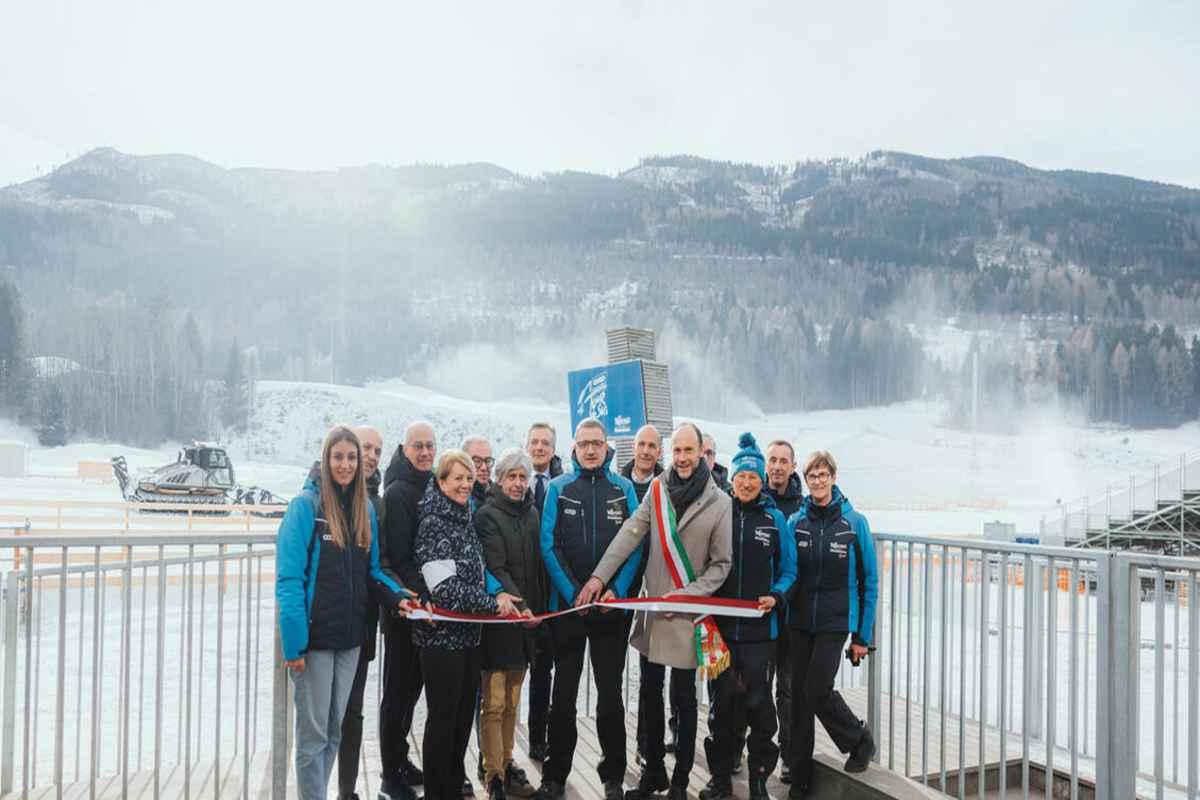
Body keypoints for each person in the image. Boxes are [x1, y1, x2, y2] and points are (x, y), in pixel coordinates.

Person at [581, 422, 732, 800]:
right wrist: (600, 576)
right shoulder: (657, 489)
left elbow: (721, 564)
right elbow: (630, 533)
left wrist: (687, 594)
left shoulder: (720, 502)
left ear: (700, 454)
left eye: (688, 451)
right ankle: (653, 773)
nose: (681, 458)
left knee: (683, 700)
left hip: (685, 614)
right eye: (676, 451)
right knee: (650, 694)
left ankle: (680, 781)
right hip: (653, 611)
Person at [276, 426, 412, 800]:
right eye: (339, 456)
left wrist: (398, 596)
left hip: (351, 640)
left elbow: (373, 572)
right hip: (315, 641)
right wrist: (294, 645)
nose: (347, 464)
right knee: (312, 736)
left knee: (334, 729)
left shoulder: (365, 508)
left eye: (352, 457)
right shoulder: (306, 507)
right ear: (325, 458)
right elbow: (288, 579)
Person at [534, 419, 641, 800]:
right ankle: (555, 774)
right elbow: (548, 544)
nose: (591, 450)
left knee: (611, 697)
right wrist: (572, 592)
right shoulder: (560, 489)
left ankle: (613, 774)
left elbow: (635, 544)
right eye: (584, 444)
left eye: (597, 443)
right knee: (562, 697)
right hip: (569, 611)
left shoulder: (623, 488)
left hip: (610, 611)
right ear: (574, 447)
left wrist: (618, 589)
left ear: (607, 446)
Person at [413, 450, 524, 800]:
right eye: (456, 478)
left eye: (468, 478)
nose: (464, 484)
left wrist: (500, 595)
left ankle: (450, 786)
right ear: (441, 481)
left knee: (462, 721)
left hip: (469, 637)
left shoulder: (465, 516)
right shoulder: (433, 522)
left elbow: (477, 573)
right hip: (441, 641)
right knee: (443, 721)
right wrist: (492, 604)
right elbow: (443, 589)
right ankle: (436, 791)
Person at [701, 433, 796, 800]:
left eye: (753, 477)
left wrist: (776, 595)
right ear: (733, 477)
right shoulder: (718, 513)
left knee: (759, 707)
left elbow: (789, 571)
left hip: (760, 631)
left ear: (761, 481)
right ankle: (720, 779)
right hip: (715, 630)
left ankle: (758, 779)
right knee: (720, 707)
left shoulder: (774, 521)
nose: (746, 482)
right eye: (741, 476)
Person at [787, 451, 878, 798]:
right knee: (799, 700)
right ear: (806, 481)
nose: (818, 481)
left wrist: (862, 635)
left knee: (816, 689)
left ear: (834, 477)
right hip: (800, 619)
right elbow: (788, 571)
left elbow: (869, 581)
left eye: (824, 475)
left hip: (836, 620)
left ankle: (858, 739)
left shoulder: (854, 523)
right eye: (812, 476)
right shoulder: (797, 522)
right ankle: (799, 778)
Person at [476, 449, 546, 800]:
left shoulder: (532, 514)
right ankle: (493, 775)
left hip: (525, 623)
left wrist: (536, 610)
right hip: (501, 623)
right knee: (495, 702)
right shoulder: (487, 516)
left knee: (514, 702)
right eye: (512, 477)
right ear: (500, 480)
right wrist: (522, 607)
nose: (518, 483)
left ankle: (506, 761)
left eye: (523, 477)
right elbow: (496, 567)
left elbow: (536, 567)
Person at [379, 421, 438, 800]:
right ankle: (389, 773)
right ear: (404, 448)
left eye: (430, 446)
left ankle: (401, 759)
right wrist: (420, 592)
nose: (424, 452)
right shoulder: (399, 492)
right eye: (417, 446)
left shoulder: (431, 485)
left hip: (427, 610)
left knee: (412, 693)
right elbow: (399, 556)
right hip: (405, 609)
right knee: (397, 694)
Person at [618, 425, 668, 764]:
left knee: (652, 675)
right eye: (641, 445)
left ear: (659, 451)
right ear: (633, 448)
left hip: (656, 588)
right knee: (610, 677)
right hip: (621, 587)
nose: (647, 451)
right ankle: (613, 750)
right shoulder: (616, 486)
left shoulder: (668, 487)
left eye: (653, 446)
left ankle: (648, 745)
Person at [764, 438, 802, 782]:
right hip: (759, 615)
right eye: (772, 460)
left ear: (792, 466)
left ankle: (790, 758)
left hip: (791, 616)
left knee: (789, 690)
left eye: (783, 461)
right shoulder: (749, 498)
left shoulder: (802, 507)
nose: (777, 466)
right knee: (752, 686)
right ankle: (744, 753)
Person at [524, 422, 562, 763]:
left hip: (553, 597)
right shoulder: (514, 481)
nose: (539, 447)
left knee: (544, 672)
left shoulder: (562, 485)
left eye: (545, 443)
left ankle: (539, 738)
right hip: (522, 596)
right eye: (534, 442)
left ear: (554, 448)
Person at [464, 434, 495, 510]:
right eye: (477, 461)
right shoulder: (457, 496)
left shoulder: (499, 495)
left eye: (488, 461)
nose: (484, 468)